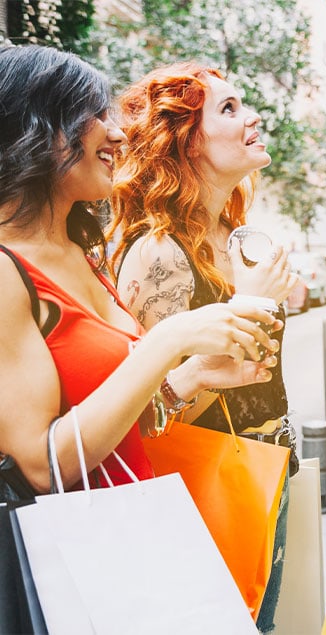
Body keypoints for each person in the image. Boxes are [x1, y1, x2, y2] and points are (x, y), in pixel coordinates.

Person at [0, 46, 278, 496]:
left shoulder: (83, 254)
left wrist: (195, 375)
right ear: (38, 130)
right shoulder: (6, 271)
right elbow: (42, 466)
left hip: (139, 528)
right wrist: (169, 341)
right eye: (94, 115)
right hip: (79, 548)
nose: (118, 136)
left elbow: (122, 423)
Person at [107, 62, 297, 633]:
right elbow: (151, 414)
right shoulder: (159, 253)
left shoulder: (229, 236)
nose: (253, 116)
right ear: (185, 143)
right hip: (205, 484)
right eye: (229, 108)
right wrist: (249, 303)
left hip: (264, 469)